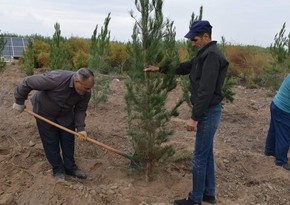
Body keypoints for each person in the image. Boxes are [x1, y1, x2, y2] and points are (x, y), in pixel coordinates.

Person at [145, 20, 228, 205]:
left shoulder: (212, 56)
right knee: (206, 153)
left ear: (206, 36)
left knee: (199, 156)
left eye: (195, 39)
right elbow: (184, 68)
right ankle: (208, 193)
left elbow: (206, 90)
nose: (192, 43)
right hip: (208, 110)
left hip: (208, 111)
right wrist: (160, 69)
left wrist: (194, 117)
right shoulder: (204, 54)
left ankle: (195, 199)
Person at [13, 67, 95, 180]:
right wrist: (19, 101)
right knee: (51, 142)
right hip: (45, 112)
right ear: (77, 82)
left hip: (66, 114)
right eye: (86, 88)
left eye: (90, 88)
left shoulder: (86, 92)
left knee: (68, 140)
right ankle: (58, 170)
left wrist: (81, 128)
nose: (88, 91)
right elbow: (27, 82)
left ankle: (71, 168)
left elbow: (80, 110)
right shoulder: (56, 79)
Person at [264, 74, 290, 171]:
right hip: (284, 110)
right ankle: (281, 160)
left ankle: (270, 151)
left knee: (274, 130)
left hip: (276, 104)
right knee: (285, 135)